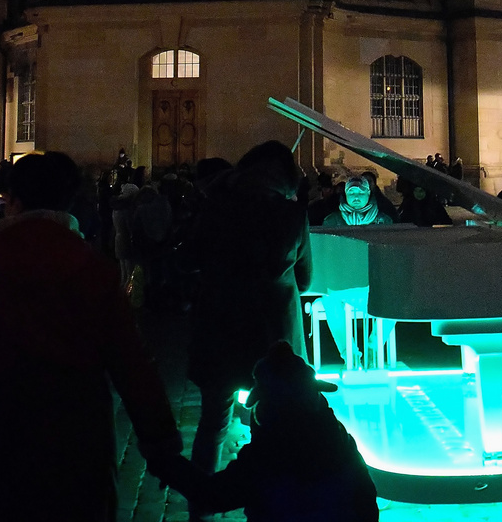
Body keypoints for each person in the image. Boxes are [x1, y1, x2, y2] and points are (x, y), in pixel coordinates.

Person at [0, 151, 180, 522]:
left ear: (15, 201)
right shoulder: (93, 269)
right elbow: (133, 363)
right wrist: (161, 442)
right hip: (76, 439)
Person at [183, 140, 311, 486]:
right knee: (274, 422)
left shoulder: (216, 208)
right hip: (274, 333)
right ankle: (270, 498)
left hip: (220, 325)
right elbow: (305, 276)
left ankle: (202, 503)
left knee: (213, 422)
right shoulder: (291, 215)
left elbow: (192, 258)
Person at [157, 341, 378, 522]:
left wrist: (167, 464)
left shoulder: (262, 459)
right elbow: (367, 506)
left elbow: (211, 496)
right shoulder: (342, 446)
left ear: (263, 404)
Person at [322, 176, 397, 366]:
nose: (356, 196)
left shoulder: (383, 221)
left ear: (368, 194)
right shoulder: (332, 221)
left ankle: (374, 345)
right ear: (345, 195)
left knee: (397, 300)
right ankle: (349, 353)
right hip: (343, 284)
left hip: (373, 284)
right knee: (328, 300)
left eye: (360, 192)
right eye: (351, 192)